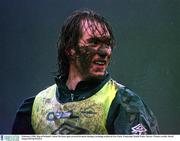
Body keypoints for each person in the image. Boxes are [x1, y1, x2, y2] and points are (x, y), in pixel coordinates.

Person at [12, 9, 159, 134]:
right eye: (94, 42)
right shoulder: (35, 107)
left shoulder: (125, 104)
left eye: (107, 44)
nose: (104, 52)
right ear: (70, 49)